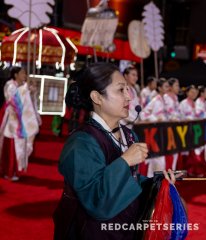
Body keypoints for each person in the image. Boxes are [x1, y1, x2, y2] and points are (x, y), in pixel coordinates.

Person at [53, 62, 178, 239]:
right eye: (121, 90)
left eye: (128, 90)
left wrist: (157, 184)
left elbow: (131, 180)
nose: (129, 97)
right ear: (97, 97)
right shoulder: (81, 143)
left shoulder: (129, 135)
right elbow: (97, 201)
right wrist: (125, 161)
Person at [0, 66, 39, 181]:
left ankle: (14, 170)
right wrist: (26, 89)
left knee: (18, 146)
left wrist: (31, 92)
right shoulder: (10, 85)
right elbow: (14, 100)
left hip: (18, 120)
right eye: (22, 73)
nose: (24, 76)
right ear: (16, 75)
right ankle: (8, 171)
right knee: (11, 145)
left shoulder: (19, 86)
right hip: (11, 120)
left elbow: (26, 99)